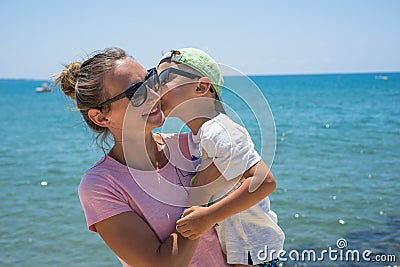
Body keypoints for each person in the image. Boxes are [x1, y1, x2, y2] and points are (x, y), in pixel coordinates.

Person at [54, 47, 233, 267]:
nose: (155, 94)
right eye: (137, 93)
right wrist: (202, 189)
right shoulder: (102, 186)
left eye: (151, 80)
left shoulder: (193, 144)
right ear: (100, 117)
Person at [157, 48, 285, 267]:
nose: (156, 89)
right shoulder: (201, 135)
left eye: (165, 79)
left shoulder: (218, 130)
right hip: (245, 250)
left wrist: (209, 216)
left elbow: (264, 181)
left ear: (201, 87)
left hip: (253, 250)